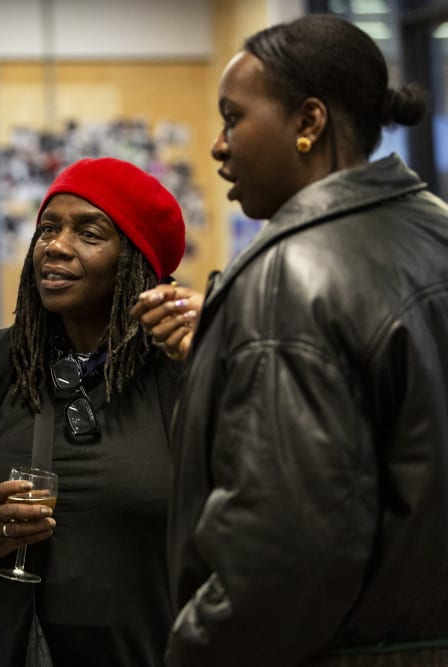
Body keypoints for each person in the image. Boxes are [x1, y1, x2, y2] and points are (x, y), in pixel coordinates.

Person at [156, 14, 448, 666]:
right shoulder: (435, 228)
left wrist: (194, 651)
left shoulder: (289, 275)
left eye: (233, 118)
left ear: (308, 121)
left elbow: (284, 554)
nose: (218, 146)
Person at [0, 157, 201, 666]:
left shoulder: (182, 373)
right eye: (48, 228)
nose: (55, 245)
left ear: (135, 260)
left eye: (89, 233)